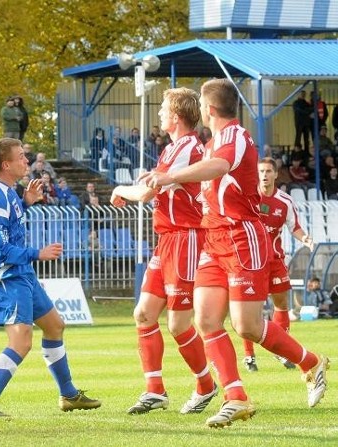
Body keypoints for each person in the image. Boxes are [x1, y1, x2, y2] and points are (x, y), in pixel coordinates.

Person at [141, 78, 329, 428]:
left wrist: (170, 178)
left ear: (209, 109)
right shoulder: (212, 142)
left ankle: (312, 363)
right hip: (214, 239)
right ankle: (236, 397)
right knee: (207, 319)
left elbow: (219, 168)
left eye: (201, 103)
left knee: (247, 326)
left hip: (242, 238)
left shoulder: (235, 137)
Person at [0, 137, 101, 417]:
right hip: (8, 277)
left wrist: (25, 202)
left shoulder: (7, 191)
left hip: (22, 274)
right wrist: (37, 253)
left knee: (55, 326)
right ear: (6, 164)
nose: (26, 161)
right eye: (21, 157)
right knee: (21, 342)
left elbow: (9, 227)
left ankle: (68, 395)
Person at [111, 87, 217, 415]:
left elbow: (145, 193)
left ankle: (207, 386)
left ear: (175, 116)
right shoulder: (172, 149)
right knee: (143, 314)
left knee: (179, 324)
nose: (158, 114)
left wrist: (118, 189)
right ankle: (155, 389)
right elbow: (152, 189)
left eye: (162, 109)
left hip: (185, 239)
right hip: (167, 239)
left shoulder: (186, 147)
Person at [242, 157, 316, 372]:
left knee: (281, 304)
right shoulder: (247, 197)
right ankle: (248, 356)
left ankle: (281, 351)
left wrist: (305, 238)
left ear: (276, 174)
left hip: (274, 259)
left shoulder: (284, 201)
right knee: (249, 309)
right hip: (250, 260)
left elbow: (295, 226)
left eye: (268, 171)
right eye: (261, 171)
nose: (264, 175)